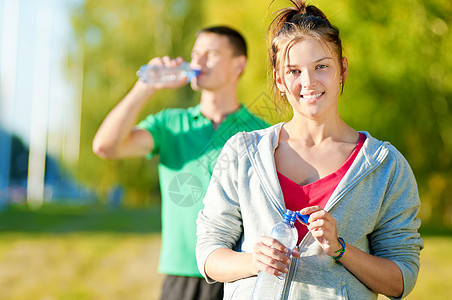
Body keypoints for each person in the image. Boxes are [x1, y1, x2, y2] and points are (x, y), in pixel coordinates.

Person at [196, 1, 423, 299]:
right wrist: (253, 260)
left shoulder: (385, 166)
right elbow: (209, 253)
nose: (308, 82)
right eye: (293, 71)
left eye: (321, 66)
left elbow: (401, 278)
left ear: (341, 69)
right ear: (279, 80)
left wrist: (341, 249)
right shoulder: (242, 153)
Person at [92, 26, 269, 300]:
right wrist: (146, 85)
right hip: (182, 278)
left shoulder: (263, 134)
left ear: (239, 65)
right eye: (195, 54)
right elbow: (106, 145)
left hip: (243, 275)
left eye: (210, 54)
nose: (198, 62)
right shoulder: (170, 125)